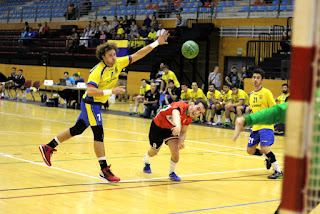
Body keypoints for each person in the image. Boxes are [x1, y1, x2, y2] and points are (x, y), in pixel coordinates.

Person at [39, 31, 170, 182]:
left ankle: (48, 147)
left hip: (94, 104)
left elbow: (139, 54)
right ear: (103, 57)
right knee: (98, 134)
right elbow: (90, 91)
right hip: (91, 104)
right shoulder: (97, 70)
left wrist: (156, 43)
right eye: (110, 55)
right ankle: (104, 169)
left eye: (114, 54)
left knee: (78, 129)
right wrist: (112, 91)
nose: (113, 57)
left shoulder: (118, 63)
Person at [142, 100, 208, 181]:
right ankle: (146, 160)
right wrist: (178, 126)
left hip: (171, 129)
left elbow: (183, 131)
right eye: (198, 109)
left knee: (175, 153)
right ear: (192, 104)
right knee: (154, 151)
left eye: (200, 112)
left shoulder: (189, 118)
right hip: (157, 126)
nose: (197, 113)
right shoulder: (180, 105)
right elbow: (176, 115)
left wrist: (181, 141)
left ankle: (171, 173)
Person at [246, 68, 282, 179]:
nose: (255, 80)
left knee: (265, 147)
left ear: (262, 80)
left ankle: (278, 171)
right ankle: (267, 156)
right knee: (250, 151)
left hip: (266, 125)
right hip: (256, 127)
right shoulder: (251, 95)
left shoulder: (266, 93)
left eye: (258, 78)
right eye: (254, 77)